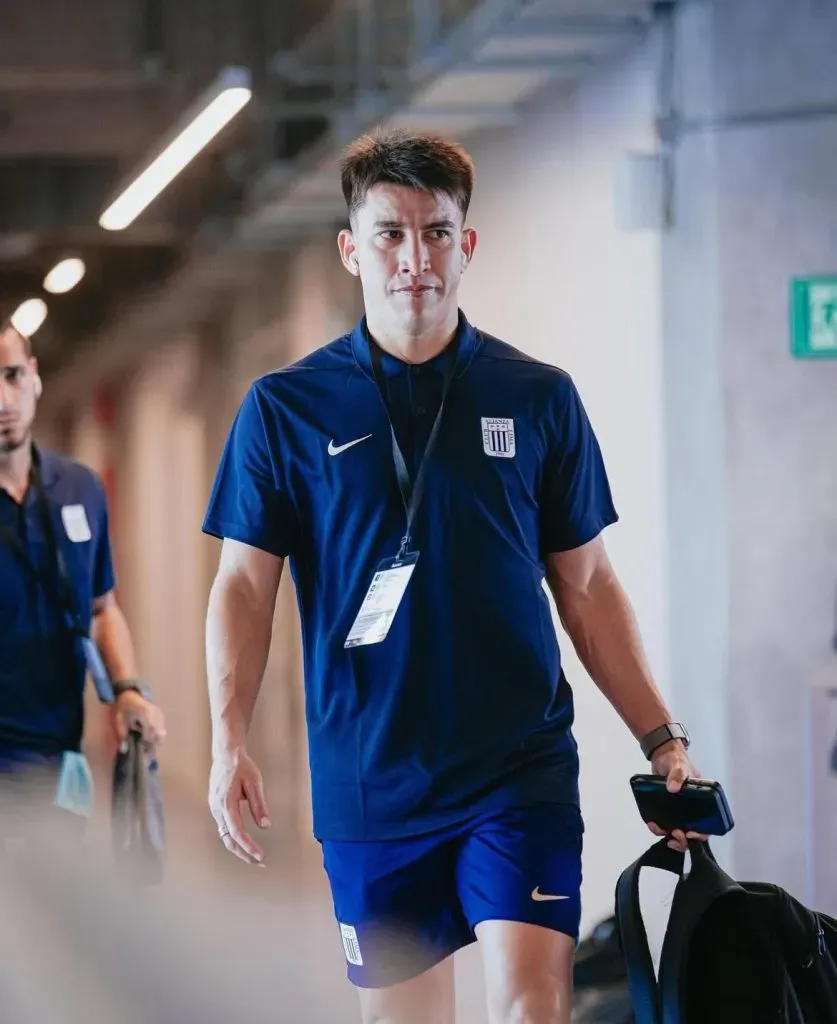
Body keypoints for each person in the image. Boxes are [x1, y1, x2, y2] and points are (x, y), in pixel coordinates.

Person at [203, 131, 703, 1024]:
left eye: (436, 232)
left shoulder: (538, 395)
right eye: (389, 234)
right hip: (370, 778)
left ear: (465, 244)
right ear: (351, 249)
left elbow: (586, 586)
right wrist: (226, 739)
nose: (414, 259)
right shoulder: (284, 409)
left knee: (532, 1009)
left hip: (518, 771)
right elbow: (244, 585)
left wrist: (660, 739)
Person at [0, 321, 165, 832]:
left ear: (33, 376)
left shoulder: (78, 489)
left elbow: (101, 607)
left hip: (59, 760)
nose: (3, 399)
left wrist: (127, 689)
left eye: (11, 375)